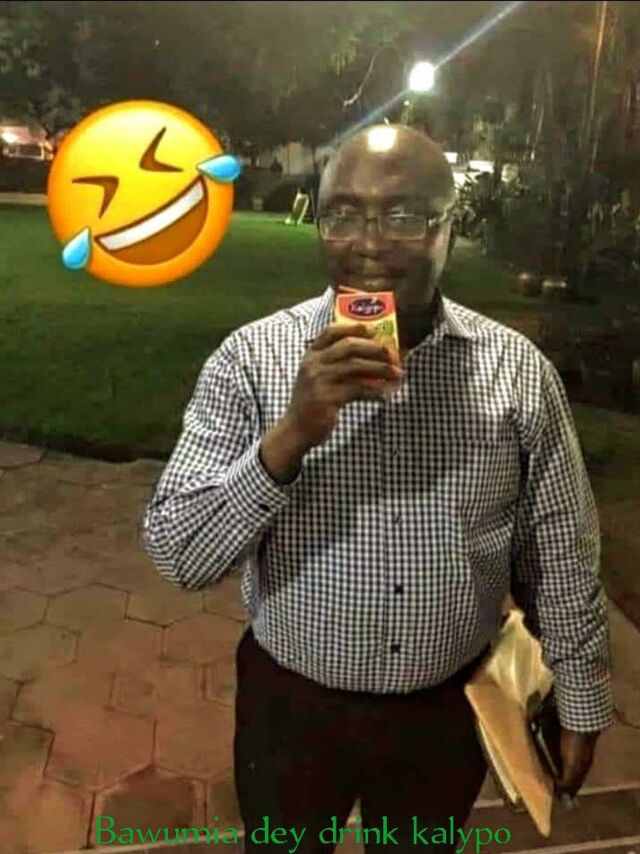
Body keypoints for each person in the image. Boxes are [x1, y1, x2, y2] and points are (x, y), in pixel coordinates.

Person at [141, 124, 612, 853]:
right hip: (291, 708)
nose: (369, 243)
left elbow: (561, 547)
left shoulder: (517, 373)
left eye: (403, 215)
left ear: (450, 226)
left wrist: (580, 697)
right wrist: (291, 435)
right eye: (344, 214)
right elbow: (180, 555)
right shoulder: (250, 360)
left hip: (445, 713)